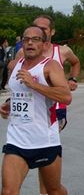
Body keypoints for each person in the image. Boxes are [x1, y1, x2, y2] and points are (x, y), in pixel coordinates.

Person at [0, 25, 72, 195]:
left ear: (44, 44)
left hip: (44, 140)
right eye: (26, 39)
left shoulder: (50, 66)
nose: (30, 43)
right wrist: (9, 104)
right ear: (22, 43)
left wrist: (34, 84)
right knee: (8, 192)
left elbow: (66, 96)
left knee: (53, 191)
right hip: (16, 140)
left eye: (36, 39)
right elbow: (20, 94)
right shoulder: (16, 65)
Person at [14, 14, 80, 195]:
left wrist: (72, 79)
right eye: (35, 28)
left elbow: (75, 63)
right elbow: (18, 85)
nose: (39, 31)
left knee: (43, 152)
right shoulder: (23, 53)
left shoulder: (63, 51)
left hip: (55, 111)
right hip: (29, 113)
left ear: (51, 32)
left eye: (43, 29)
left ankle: (47, 189)